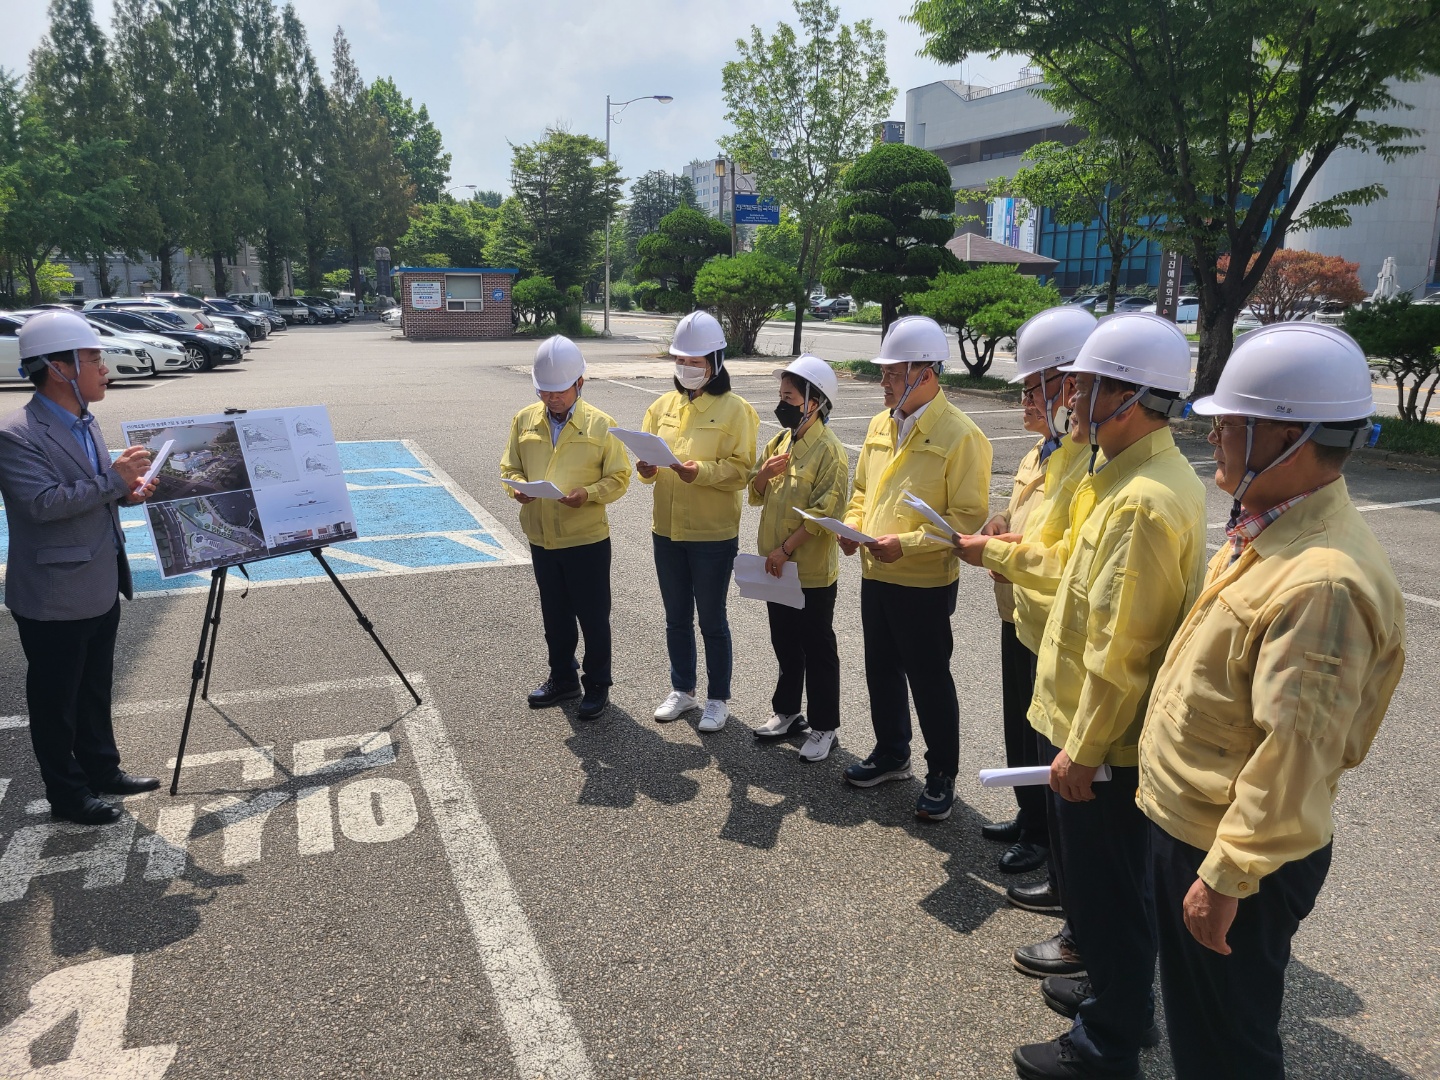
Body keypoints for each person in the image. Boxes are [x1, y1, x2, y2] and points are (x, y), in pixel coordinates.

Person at [1138, 323, 1405, 1080]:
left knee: (1227, 1045)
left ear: (1286, 432)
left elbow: (1295, 755)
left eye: (1229, 421)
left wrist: (1228, 876)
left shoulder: (1323, 580)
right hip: (1200, 824)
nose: (1214, 434)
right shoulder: (1271, 523)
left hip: (1232, 847)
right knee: (1200, 1025)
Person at [992, 312, 1206, 1080]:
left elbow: (1124, 647)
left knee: (1110, 894)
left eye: (1087, 386)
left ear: (1134, 395)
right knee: (1101, 888)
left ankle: (1107, 1042)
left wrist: (1082, 748)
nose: (1074, 400)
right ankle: (1111, 998)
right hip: (1086, 724)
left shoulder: (1143, 499)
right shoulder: (1117, 478)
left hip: (1102, 739)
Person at [0, 310, 160, 826]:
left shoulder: (86, 421)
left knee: (94, 685)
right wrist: (114, 482)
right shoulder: (17, 432)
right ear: (58, 368)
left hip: (99, 579)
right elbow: (41, 504)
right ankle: (66, 793)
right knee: (55, 699)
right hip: (52, 592)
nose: (103, 368)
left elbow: (93, 494)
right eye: (92, 359)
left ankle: (101, 768)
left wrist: (128, 493)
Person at [837, 315, 991, 821]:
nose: (883, 380)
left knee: (929, 678)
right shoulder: (881, 424)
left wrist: (904, 544)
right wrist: (852, 526)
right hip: (875, 572)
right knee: (880, 668)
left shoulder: (961, 436)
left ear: (924, 373)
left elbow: (966, 521)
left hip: (922, 582)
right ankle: (891, 752)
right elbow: (863, 490)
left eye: (892, 372)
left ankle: (942, 772)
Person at [966, 306, 1097, 881]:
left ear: (1067, 384)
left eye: (1031, 388)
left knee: (1048, 734)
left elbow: (1067, 549)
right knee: (1019, 722)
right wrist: (1000, 525)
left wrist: (999, 553)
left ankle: (1046, 838)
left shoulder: (1087, 462)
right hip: (1017, 610)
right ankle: (1027, 817)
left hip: (1052, 621)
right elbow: (1031, 519)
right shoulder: (1040, 452)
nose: (1023, 400)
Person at [637, 310, 759, 732]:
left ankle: (717, 698)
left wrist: (700, 472)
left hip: (711, 533)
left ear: (717, 361)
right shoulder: (661, 405)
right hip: (666, 529)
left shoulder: (736, 410)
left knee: (711, 618)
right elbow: (646, 458)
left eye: (696, 361)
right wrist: (646, 469)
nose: (687, 368)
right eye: (681, 360)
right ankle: (683, 689)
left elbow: (743, 470)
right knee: (675, 615)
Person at [501, 335, 631, 721]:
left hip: (585, 540)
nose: (552, 398)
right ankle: (563, 679)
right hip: (541, 537)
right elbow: (510, 467)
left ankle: (597, 685)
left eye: (559, 391)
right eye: (544, 390)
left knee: (593, 616)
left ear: (580, 384)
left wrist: (588, 494)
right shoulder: (524, 419)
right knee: (554, 615)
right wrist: (517, 490)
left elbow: (620, 477)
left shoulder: (601, 424)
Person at [748, 355, 849, 762]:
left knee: (817, 646)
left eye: (788, 396)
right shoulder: (780, 442)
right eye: (781, 396)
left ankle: (825, 727)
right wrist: (762, 476)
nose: (782, 403)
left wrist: (786, 549)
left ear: (813, 401)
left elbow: (826, 514)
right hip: (775, 569)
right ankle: (788, 712)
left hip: (807, 572)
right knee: (785, 642)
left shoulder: (830, 452)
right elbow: (754, 493)